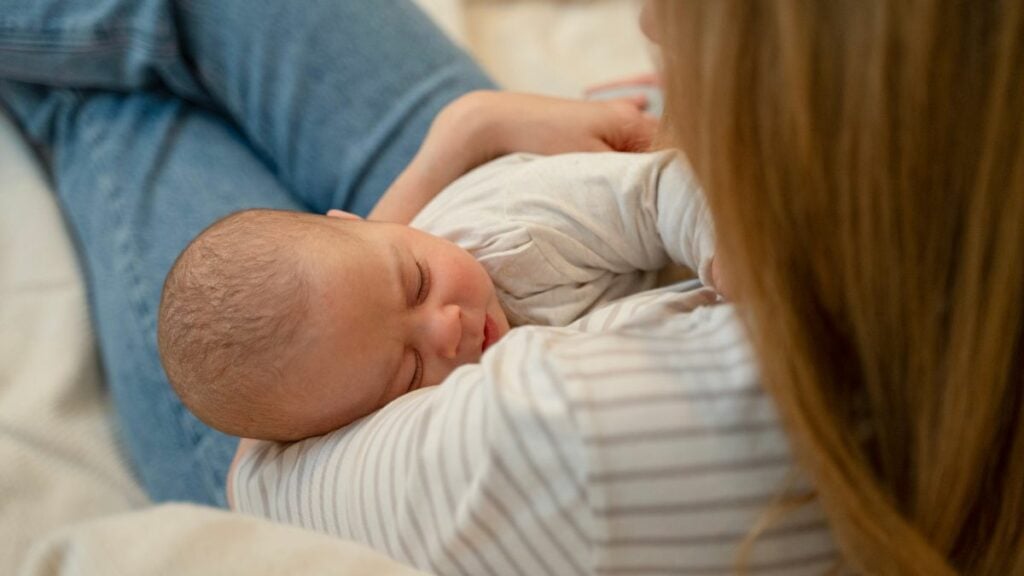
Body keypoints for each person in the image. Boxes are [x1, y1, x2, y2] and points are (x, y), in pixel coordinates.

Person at [3, 1, 1021, 574]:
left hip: (306, 409)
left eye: (713, 22)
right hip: (454, 253)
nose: (648, 19)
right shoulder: (955, 220)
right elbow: (638, 204)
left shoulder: (564, 433)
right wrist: (471, 142)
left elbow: (285, 451)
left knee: (110, 111)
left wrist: (433, 190)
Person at [159, 145, 717, 442]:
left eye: (418, 283)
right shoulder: (411, 430)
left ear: (367, 218)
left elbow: (655, 191)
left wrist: (721, 251)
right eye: (406, 371)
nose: (446, 328)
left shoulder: (516, 230)